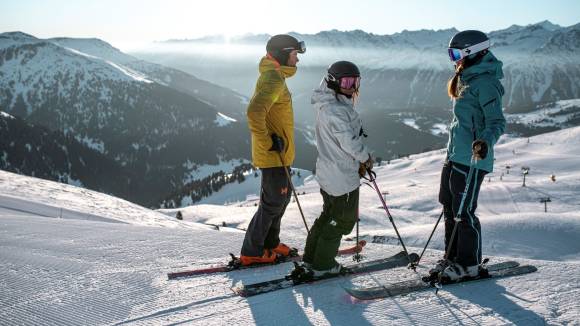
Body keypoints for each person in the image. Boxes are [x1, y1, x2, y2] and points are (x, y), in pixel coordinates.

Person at [433, 30, 506, 280]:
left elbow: (496, 122)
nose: (453, 59)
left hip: (473, 158)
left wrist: (484, 142)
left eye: (455, 54)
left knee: (464, 212)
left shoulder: (485, 82)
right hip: (455, 155)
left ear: (471, 52)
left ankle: (469, 263)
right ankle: (452, 257)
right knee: (448, 204)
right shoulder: (466, 77)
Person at [300, 61, 372, 277]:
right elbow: (349, 142)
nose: (352, 86)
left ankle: (312, 258)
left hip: (329, 172)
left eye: (355, 81)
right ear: (333, 82)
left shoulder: (329, 104)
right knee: (342, 220)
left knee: (328, 216)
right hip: (341, 175)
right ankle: (323, 265)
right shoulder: (336, 110)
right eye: (347, 81)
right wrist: (365, 158)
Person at [239, 34, 306, 266]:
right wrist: (268, 140)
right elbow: (254, 112)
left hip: (279, 153)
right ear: (282, 54)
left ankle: (271, 242)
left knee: (281, 199)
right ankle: (252, 251)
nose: (297, 59)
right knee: (272, 203)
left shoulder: (275, 77)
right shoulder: (273, 79)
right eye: (294, 54)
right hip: (273, 154)